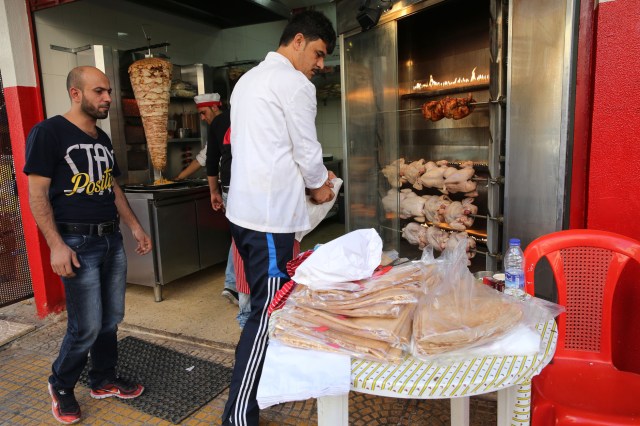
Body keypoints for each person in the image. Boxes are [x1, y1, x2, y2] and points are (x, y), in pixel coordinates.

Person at [222, 10, 337, 425]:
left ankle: (260, 393)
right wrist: (322, 184)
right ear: (300, 40)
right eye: (320, 54)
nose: (320, 65)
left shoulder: (248, 80)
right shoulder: (294, 83)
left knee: (263, 305)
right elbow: (306, 149)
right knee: (267, 315)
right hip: (268, 220)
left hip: (245, 213)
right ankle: (237, 415)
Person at [23, 66, 152, 425]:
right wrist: (56, 245)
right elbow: (36, 194)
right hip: (76, 241)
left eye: (108, 91)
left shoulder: (102, 139)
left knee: (111, 318)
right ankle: (61, 383)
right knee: (86, 325)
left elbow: (111, 187)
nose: (107, 98)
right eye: (99, 91)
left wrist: (135, 228)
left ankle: (102, 379)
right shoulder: (48, 133)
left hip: (110, 238)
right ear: (75, 93)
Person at [194, 93, 251, 325]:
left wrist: (213, 191)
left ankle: (234, 285)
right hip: (247, 187)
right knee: (242, 239)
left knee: (240, 238)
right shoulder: (245, 117)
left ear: (215, 108)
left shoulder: (219, 122)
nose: (203, 118)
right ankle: (234, 285)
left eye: (204, 113)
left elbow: (211, 160)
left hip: (231, 187)